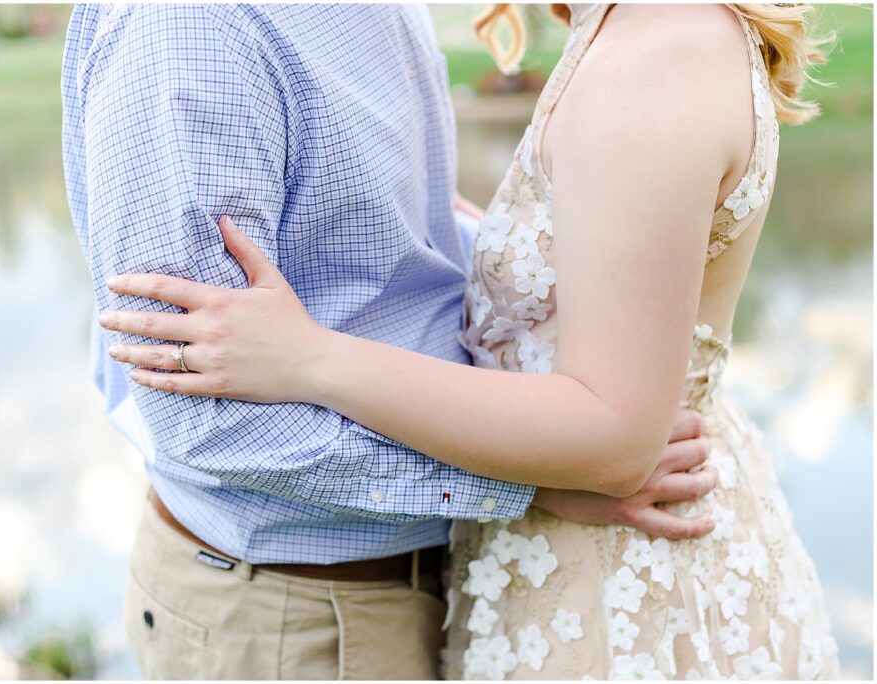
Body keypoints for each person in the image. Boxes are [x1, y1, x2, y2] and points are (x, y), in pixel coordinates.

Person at [98, 3, 843, 680]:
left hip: (610, 582)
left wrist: (315, 358)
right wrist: (521, 480)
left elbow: (615, 441)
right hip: (294, 597)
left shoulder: (653, 56)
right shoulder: (192, 25)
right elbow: (198, 403)